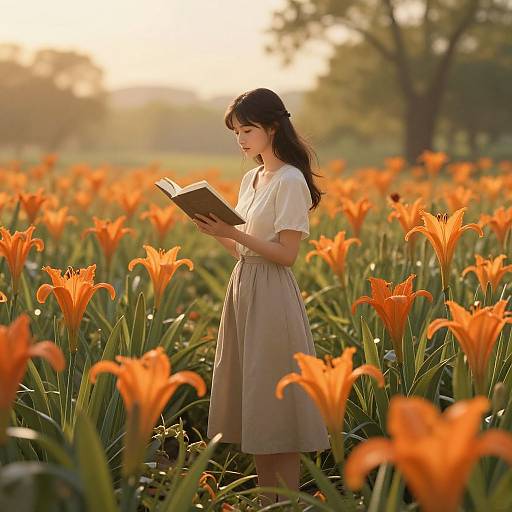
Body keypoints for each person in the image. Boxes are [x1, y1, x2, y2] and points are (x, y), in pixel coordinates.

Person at [193, 88, 330, 508]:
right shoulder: (252, 179)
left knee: (275, 404)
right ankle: (265, 503)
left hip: (272, 295)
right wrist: (221, 235)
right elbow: (246, 249)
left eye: (248, 129)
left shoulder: (290, 180)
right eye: (236, 132)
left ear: (273, 127)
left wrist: (233, 232)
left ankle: (284, 504)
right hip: (244, 287)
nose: (241, 140)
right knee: (254, 399)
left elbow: (286, 256)